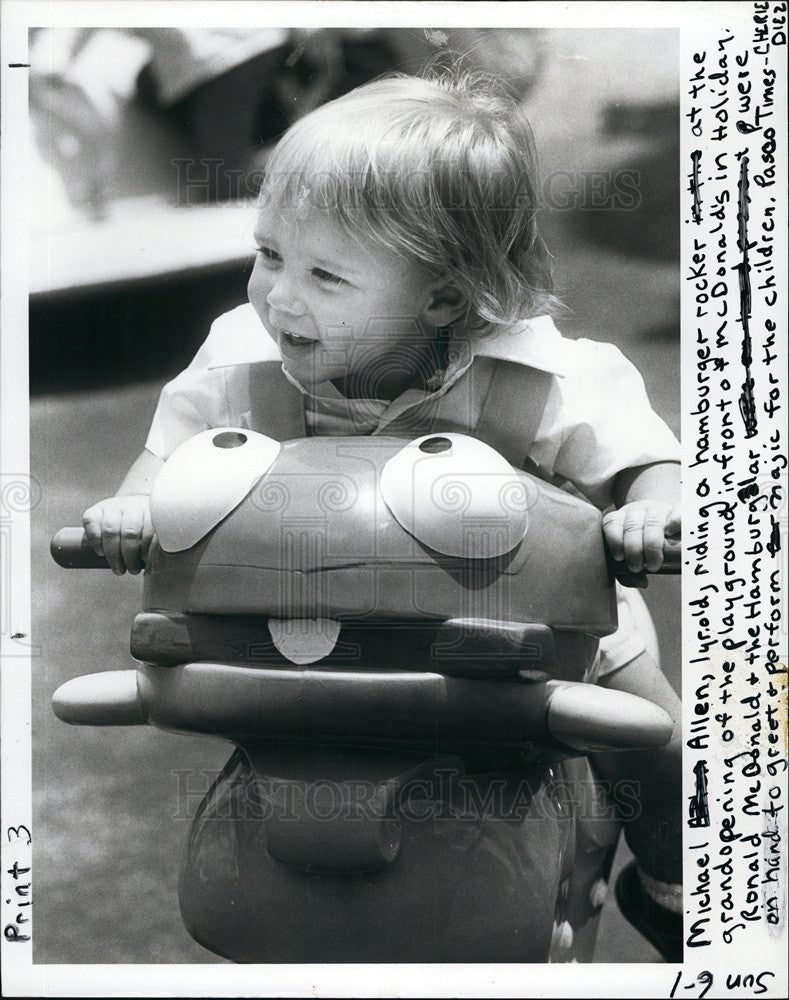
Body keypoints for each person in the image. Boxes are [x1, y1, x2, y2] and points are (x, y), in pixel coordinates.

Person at [82, 72, 682, 957]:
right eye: (269, 254)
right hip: (307, 628)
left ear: (442, 296)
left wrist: (650, 513)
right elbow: (165, 455)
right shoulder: (242, 355)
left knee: (648, 730)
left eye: (325, 275)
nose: (279, 297)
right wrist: (133, 506)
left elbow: (646, 463)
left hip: (529, 629)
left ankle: (674, 877)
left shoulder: (540, 374)